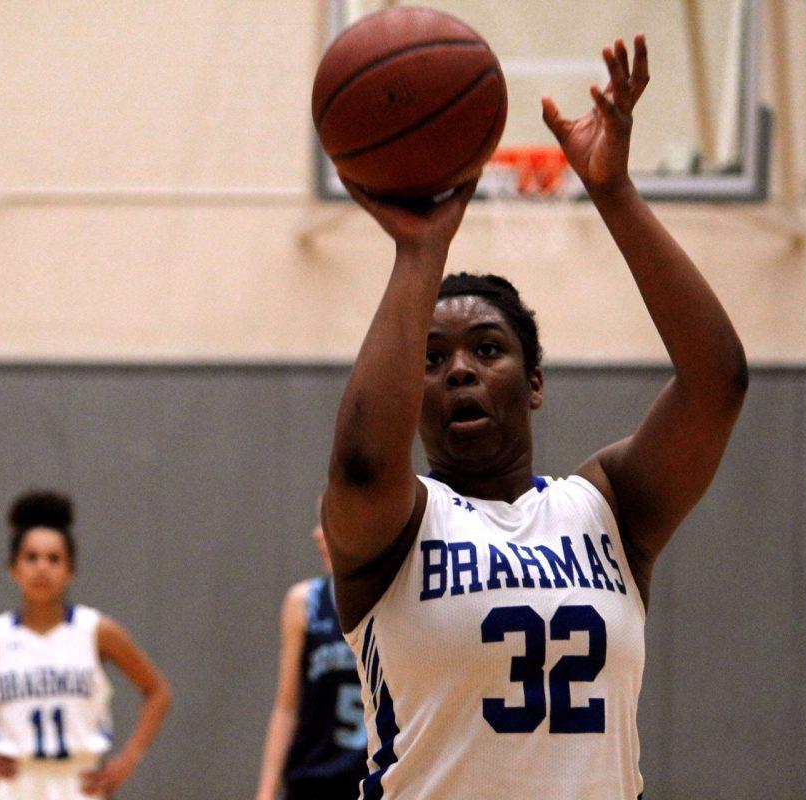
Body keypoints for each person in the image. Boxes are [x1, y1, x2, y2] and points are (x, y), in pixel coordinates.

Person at [322, 36, 746, 799]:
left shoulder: (607, 508)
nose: (458, 369)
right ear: (407, 393)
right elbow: (361, 463)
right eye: (430, 359)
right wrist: (419, 251)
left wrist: (614, 193)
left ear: (535, 382)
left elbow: (717, 382)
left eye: (487, 349)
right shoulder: (392, 530)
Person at [0, 490, 171, 800]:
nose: (42, 567)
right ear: (13, 569)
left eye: (54, 559)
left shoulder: (97, 632)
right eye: (31, 557)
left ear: (70, 571)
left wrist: (127, 761)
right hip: (14, 784)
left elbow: (158, 692)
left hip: (79, 782)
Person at [255, 503, 369, 800]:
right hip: (313, 782)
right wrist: (265, 793)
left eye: (328, 521)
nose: (317, 534)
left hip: (375, 785)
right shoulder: (305, 602)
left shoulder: (397, 602)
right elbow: (286, 708)